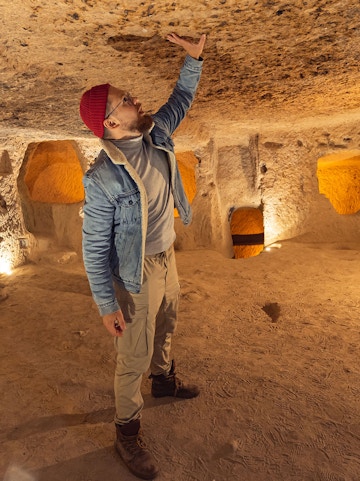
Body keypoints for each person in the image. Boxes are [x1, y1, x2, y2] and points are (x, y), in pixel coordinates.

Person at [79, 32, 206, 480]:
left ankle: (165, 380)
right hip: (133, 273)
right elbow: (93, 248)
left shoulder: (156, 133)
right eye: (125, 99)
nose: (135, 98)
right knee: (132, 351)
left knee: (168, 319)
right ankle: (126, 432)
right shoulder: (102, 179)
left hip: (166, 255)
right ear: (110, 123)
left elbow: (181, 99)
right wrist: (106, 304)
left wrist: (193, 59)